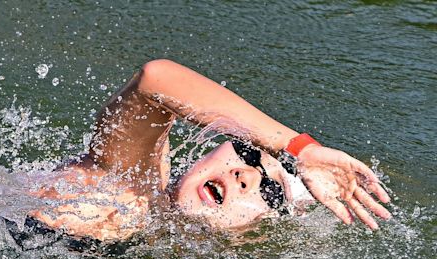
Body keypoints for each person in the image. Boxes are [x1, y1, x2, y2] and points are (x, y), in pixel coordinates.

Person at [29, 59, 391, 242]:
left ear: (253, 234)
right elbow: (156, 77)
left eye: (269, 191)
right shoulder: (130, 182)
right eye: (249, 154)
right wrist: (300, 149)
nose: (245, 175)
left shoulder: (165, 248)